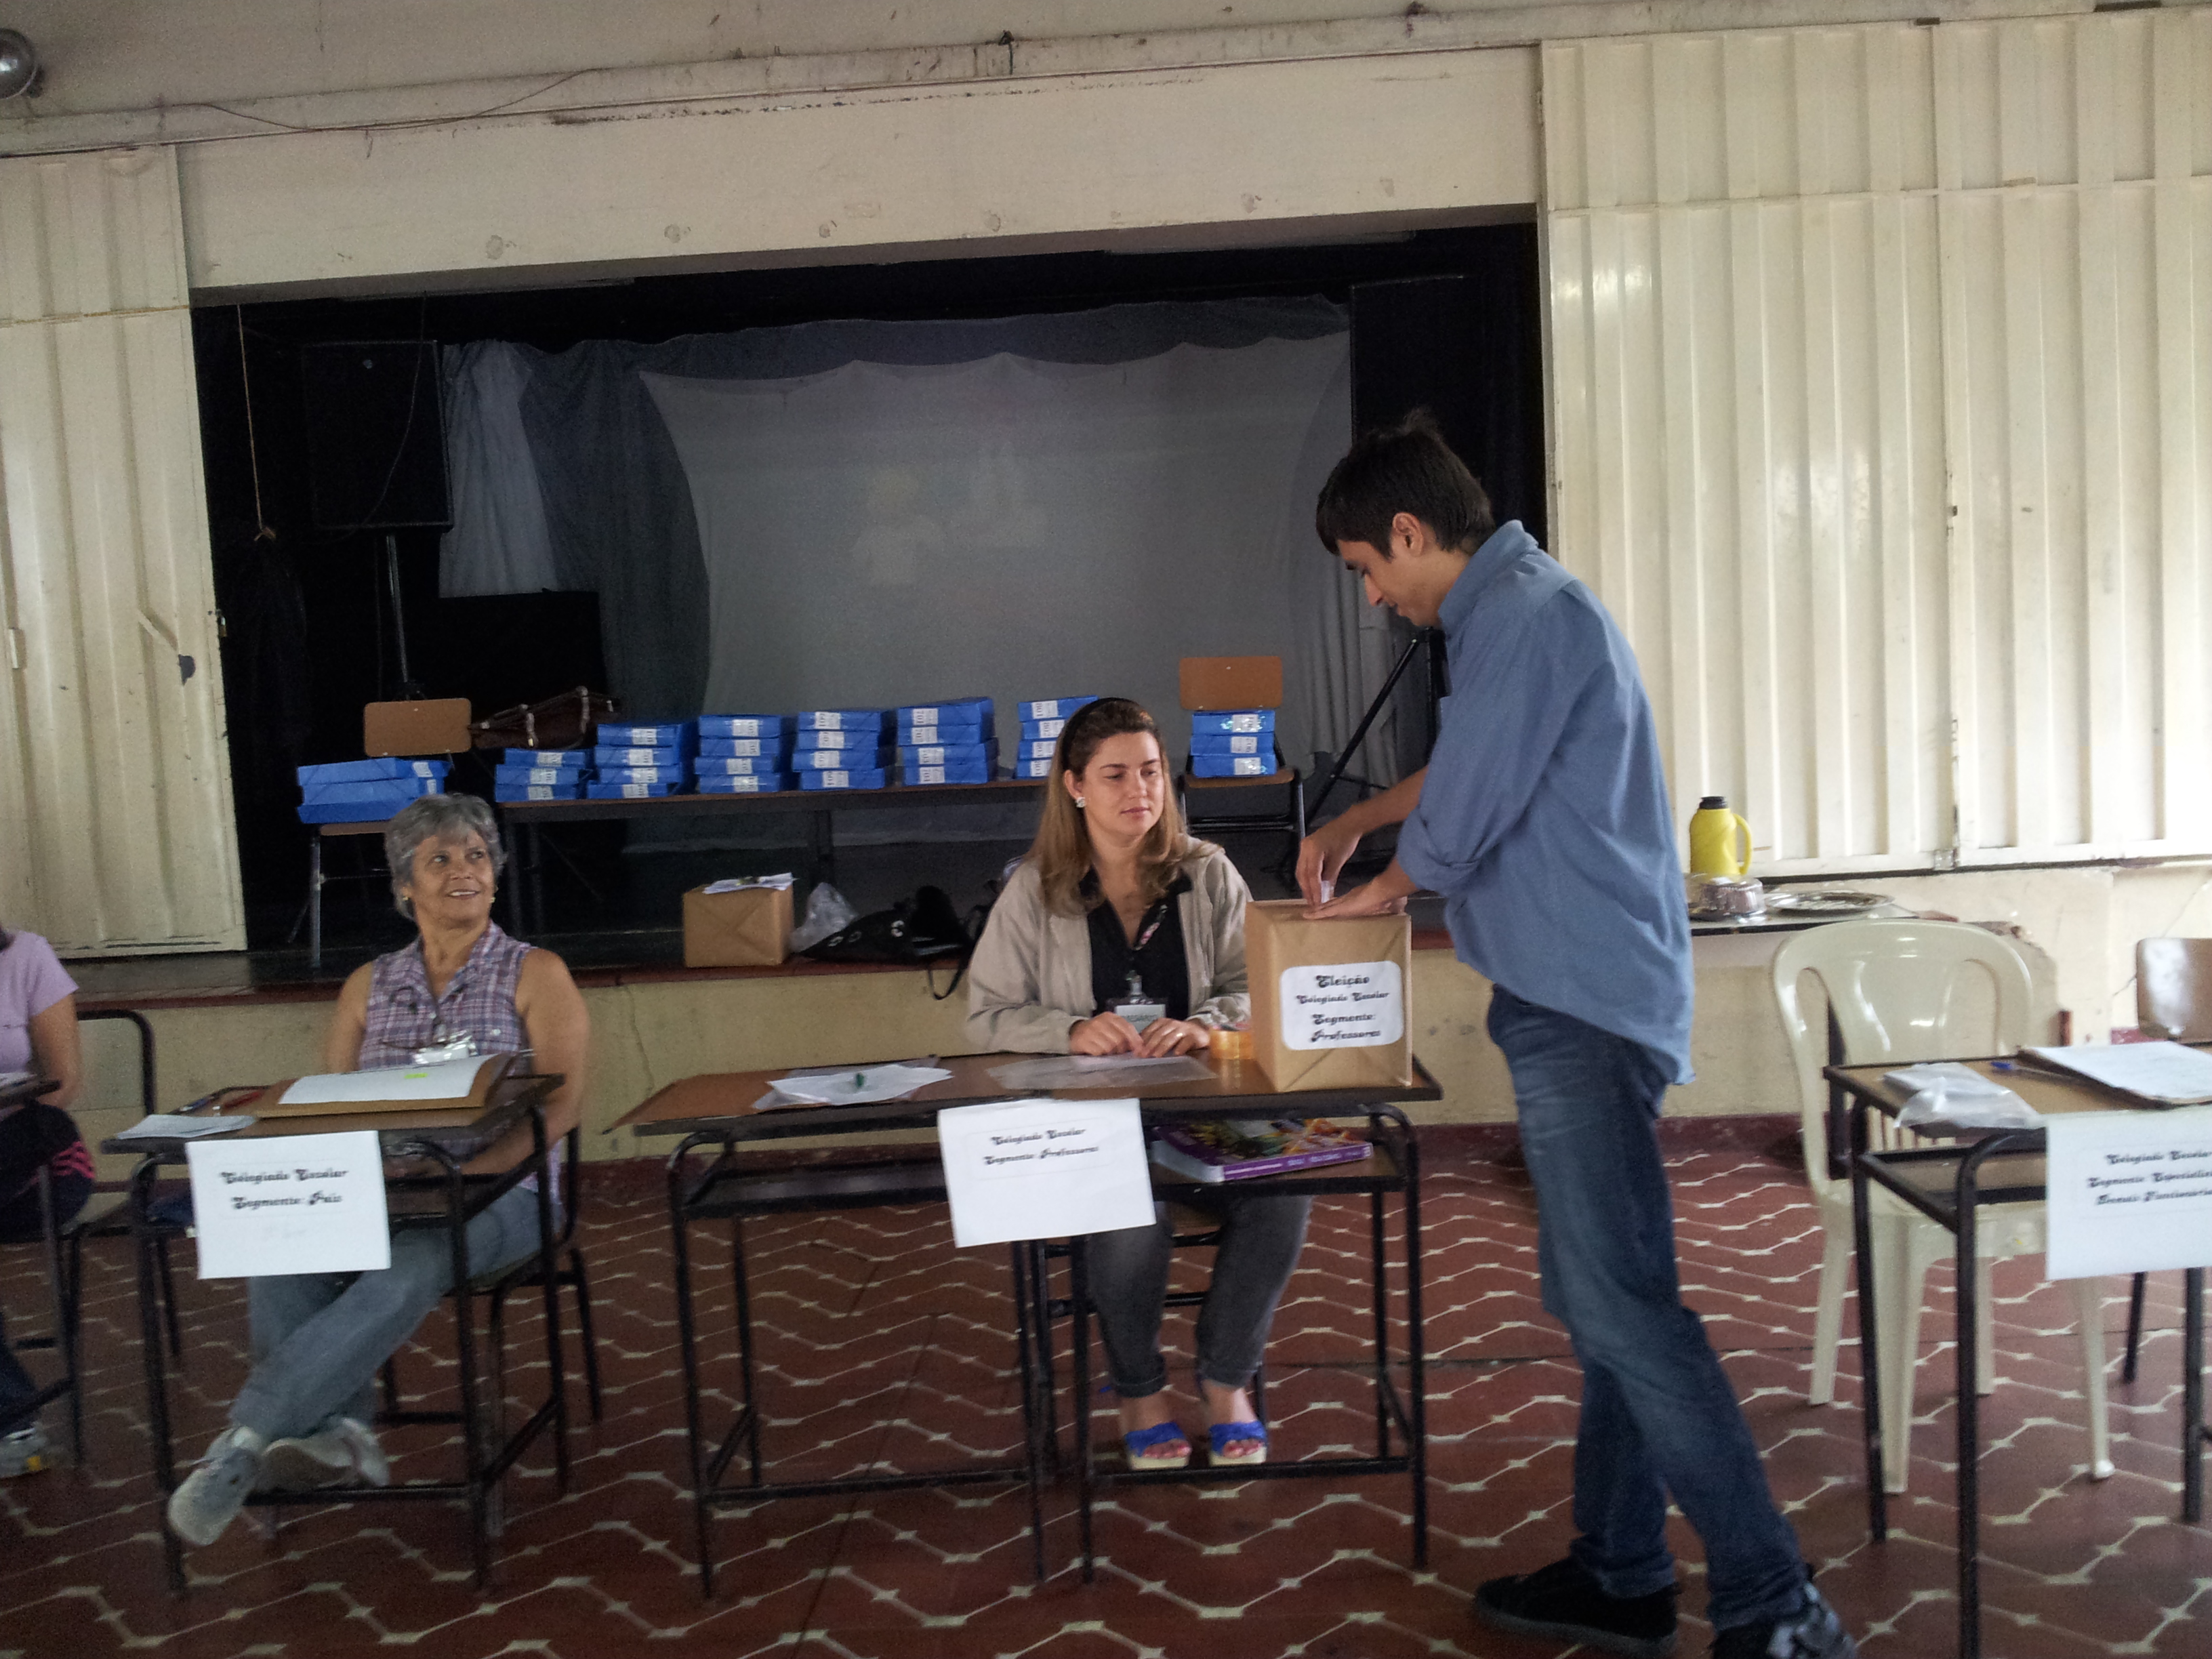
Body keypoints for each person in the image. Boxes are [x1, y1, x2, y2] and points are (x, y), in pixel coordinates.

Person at [1299, 414, 1856, 1659]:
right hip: (1579, 997)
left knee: (1623, 1310)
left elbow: (1466, 811)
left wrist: (1369, 887)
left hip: (1581, 1008)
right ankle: (1618, 1569)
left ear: (1405, 532)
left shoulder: (1526, 616)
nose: (1377, 599)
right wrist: (1361, 816)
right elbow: (1471, 765)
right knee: (1610, 1300)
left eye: (1366, 570)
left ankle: (1775, 1604)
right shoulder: (1515, 613)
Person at [166, 793, 588, 1547]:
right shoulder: (369, 986)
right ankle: (340, 1435)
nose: (465, 871)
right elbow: (334, 1113)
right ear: (404, 888)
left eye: (477, 856)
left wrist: (466, 1181)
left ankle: (246, 1439)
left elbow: (556, 1111)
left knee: (406, 1266)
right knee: (283, 1257)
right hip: (388, 1190)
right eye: (441, 860)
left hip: (506, 1192)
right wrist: (354, 1187)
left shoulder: (536, 972)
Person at [967, 697, 1295, 1469]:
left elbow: (1261, 980)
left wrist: (1208, 1023)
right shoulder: (1036, 888)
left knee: (1286, 1191)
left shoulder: (1206, 871)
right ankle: (1140, 1390)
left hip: (1205, 1110)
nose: (1138, 790)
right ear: (1075, 787)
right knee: (1127, 1211)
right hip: (1096, 1126)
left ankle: (1225, 1379)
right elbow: (986, 1016)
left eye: (1150, 771)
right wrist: (1068, 1031)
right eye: (1114, 775)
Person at [0, 924, 94, 1479]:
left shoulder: (24, 955)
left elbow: (62, 1080)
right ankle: (14, 1420)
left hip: (33, 1160)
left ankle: (13, 1420)